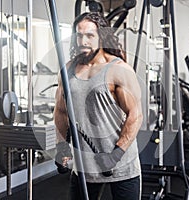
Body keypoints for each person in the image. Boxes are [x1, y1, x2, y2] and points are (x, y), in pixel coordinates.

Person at [54, 12, 143, 200]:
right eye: (79, 35)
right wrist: (62, 146)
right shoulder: (68, 69)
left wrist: (116, 154)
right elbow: (61, 111)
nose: (83, 41)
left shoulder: (118, 69)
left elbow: (135, 114)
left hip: (121, 164)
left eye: (90, 35)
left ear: (101, 37)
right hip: (83, 167)